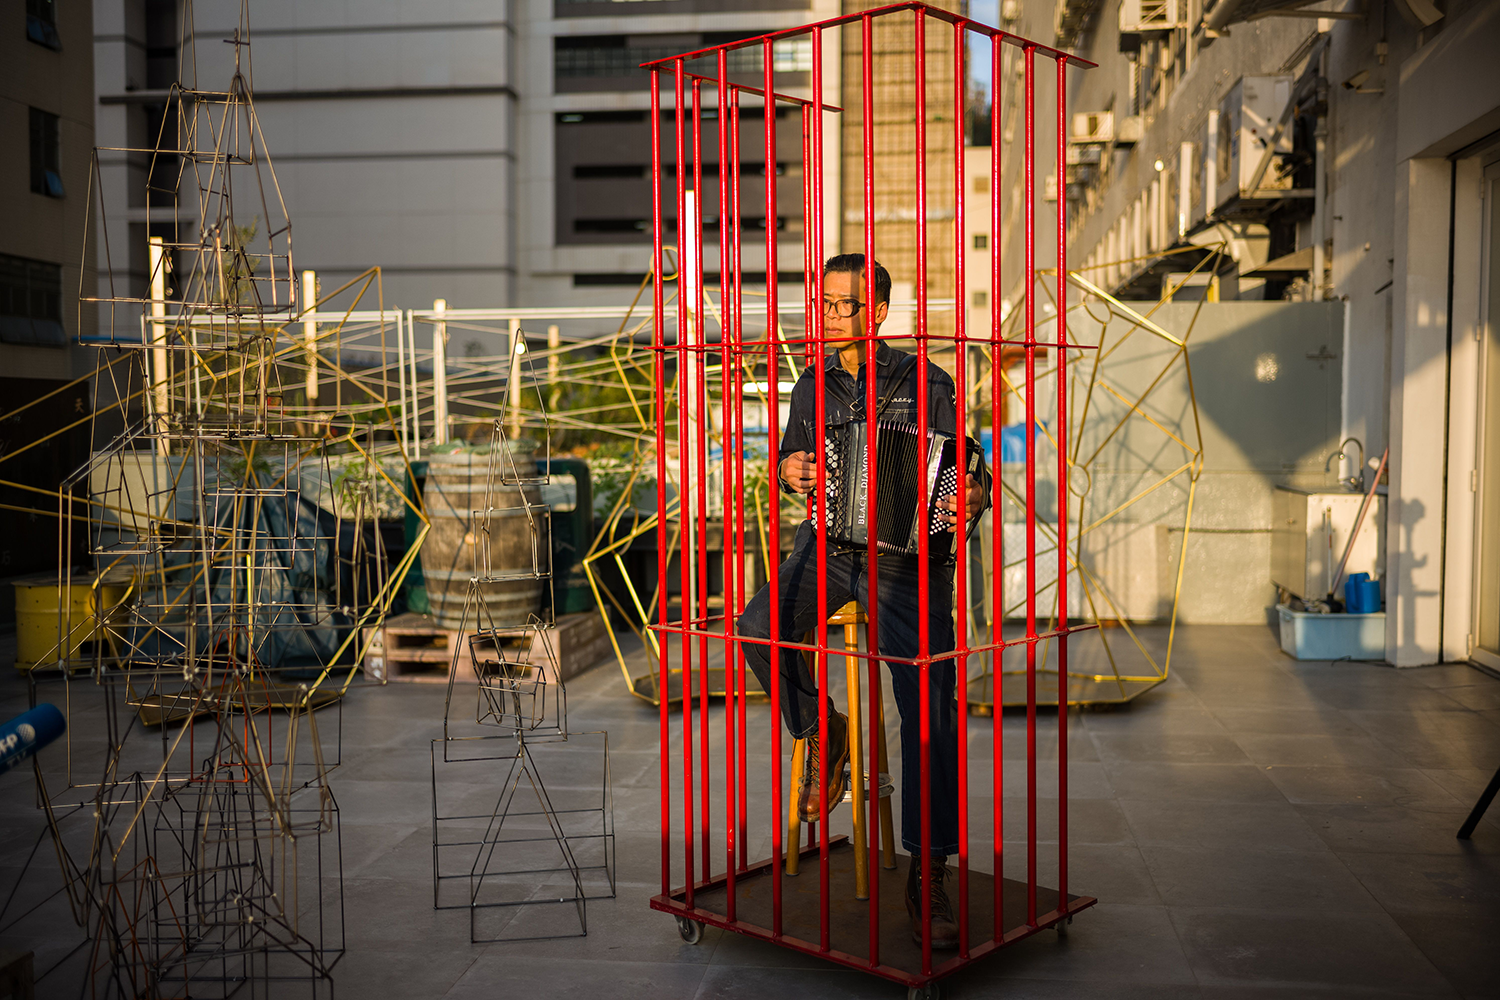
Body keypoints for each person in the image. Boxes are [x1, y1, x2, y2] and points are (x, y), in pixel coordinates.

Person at [737, 253, 990, 949]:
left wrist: (974, 493)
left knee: (930, 708)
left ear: (876, 313)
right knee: (756, 627)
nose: (828, 318)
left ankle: (929, 871)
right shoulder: (809, 384)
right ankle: (826, 729)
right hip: (825, 549)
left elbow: (965, 468)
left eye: (842, 306)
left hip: (905, 563)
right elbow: (794, 464)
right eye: (820, 304)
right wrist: (790, 470)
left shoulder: (925, 380)